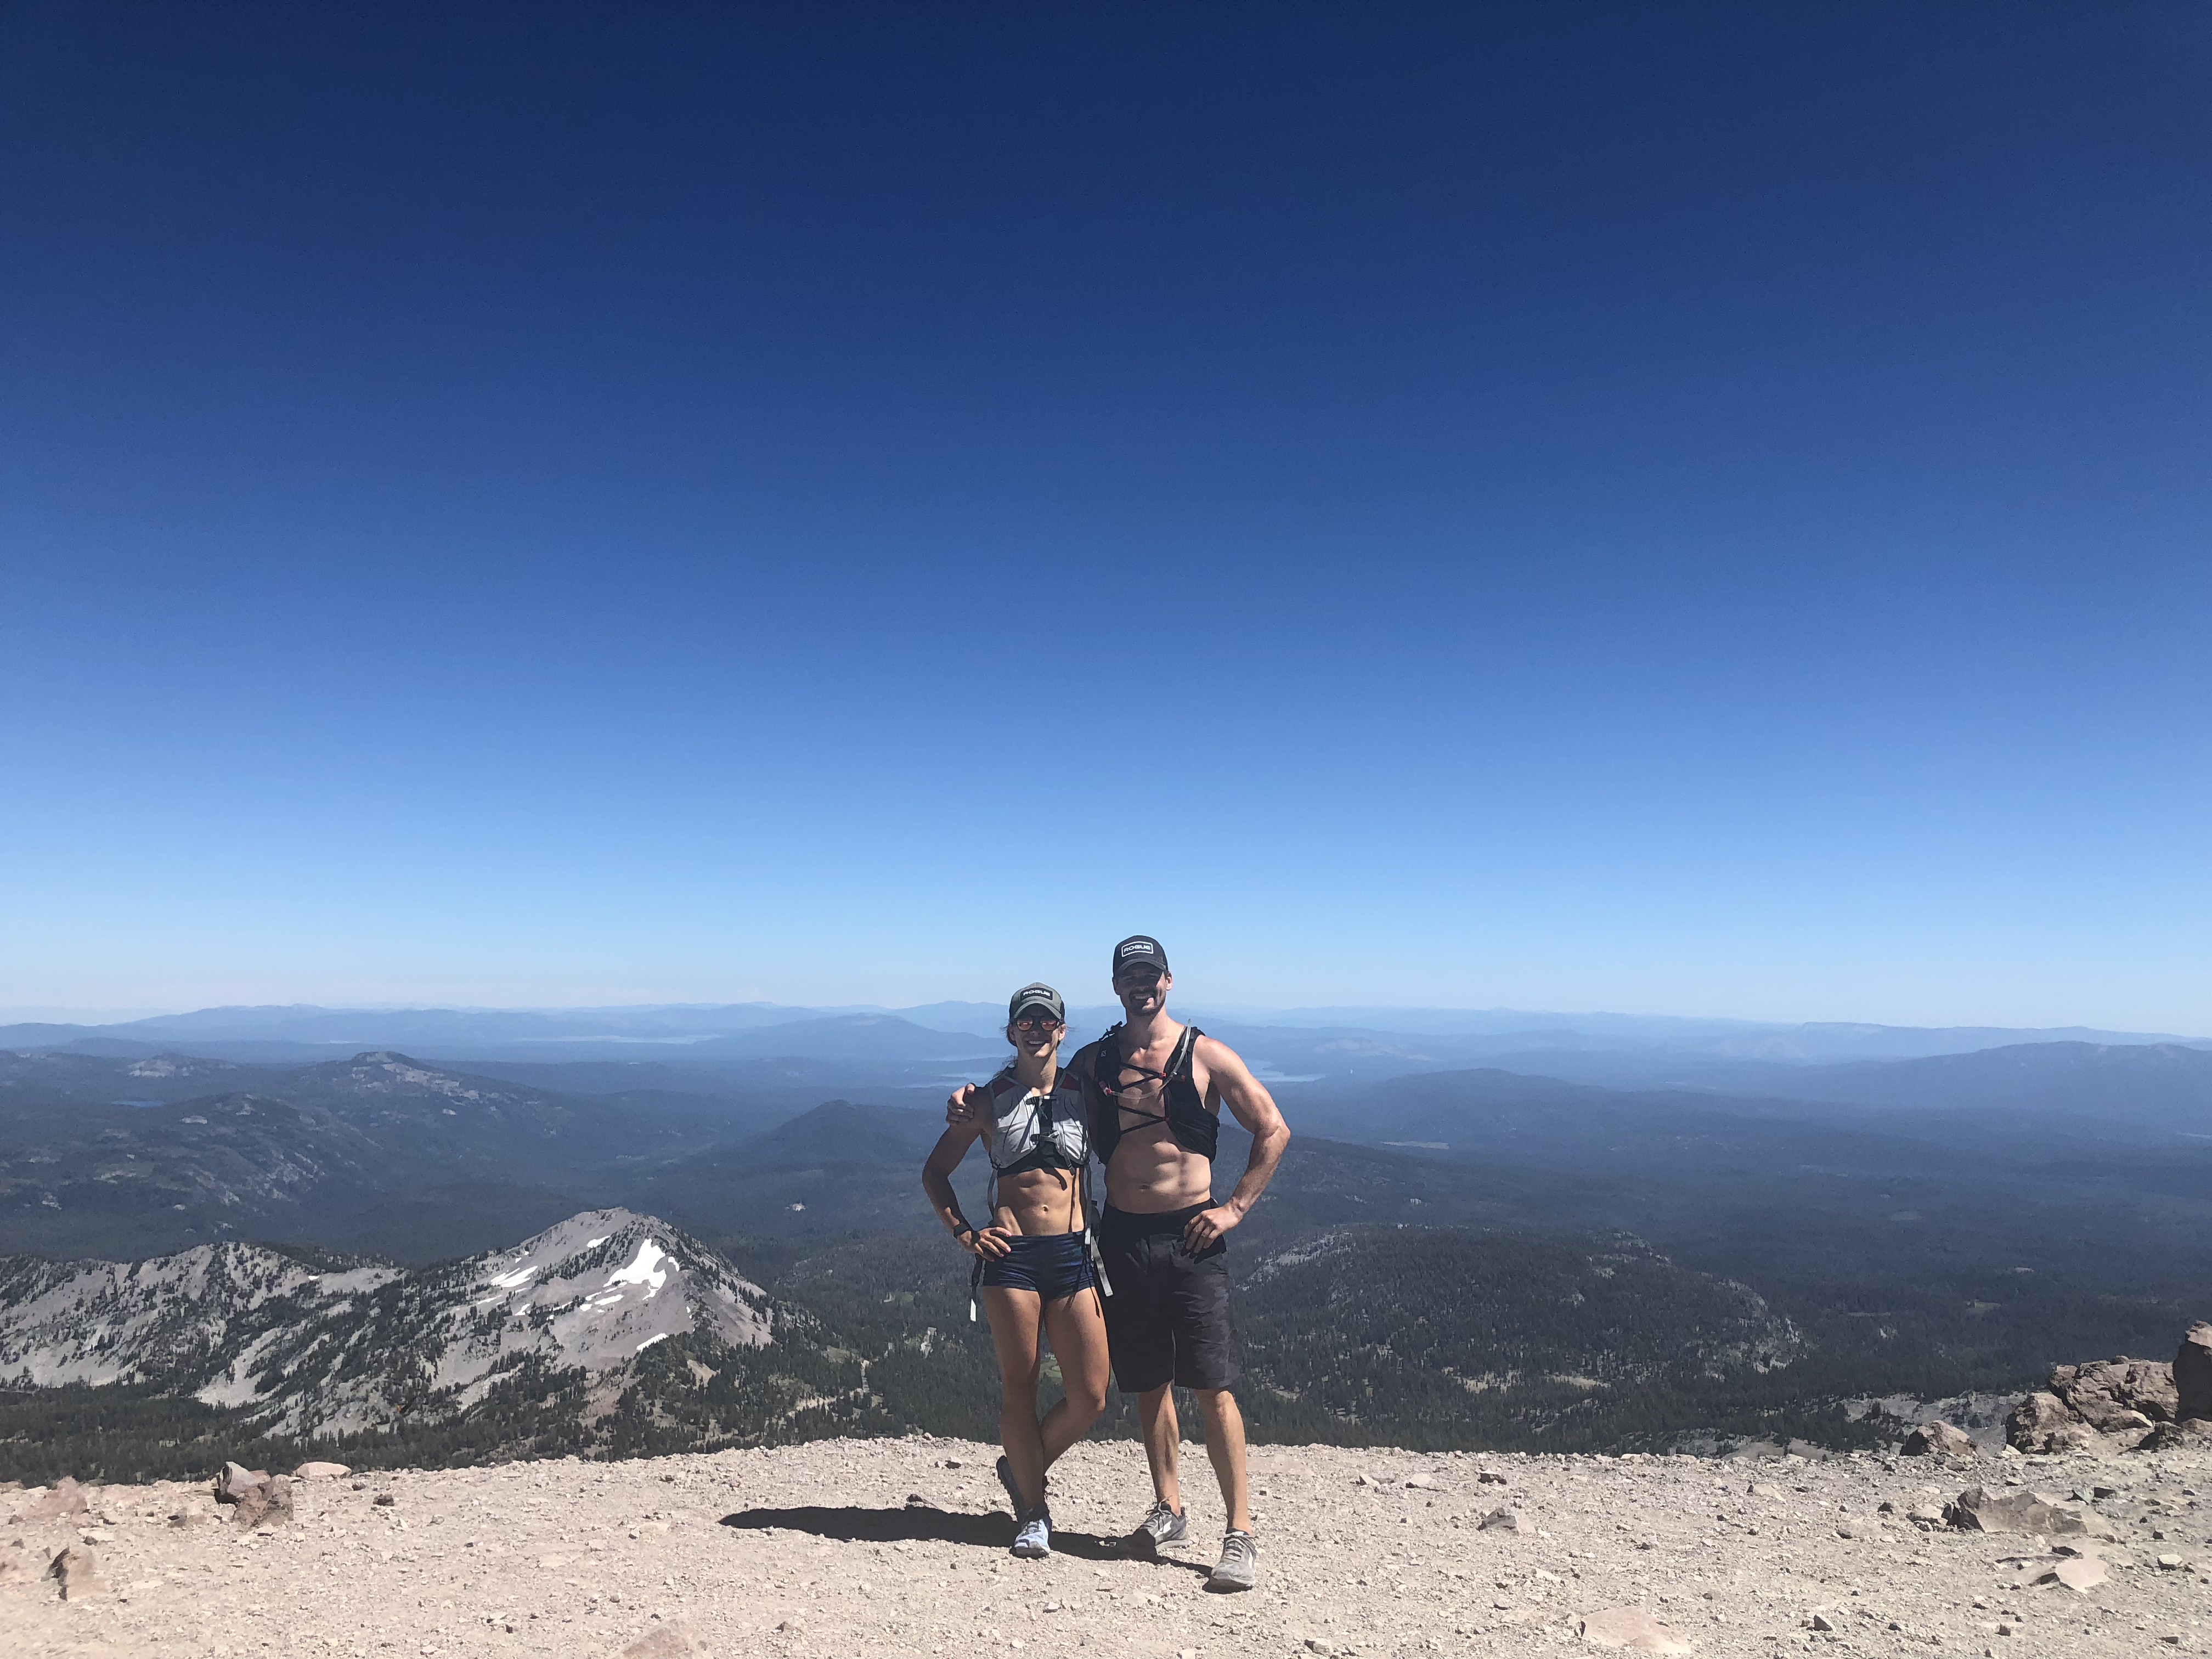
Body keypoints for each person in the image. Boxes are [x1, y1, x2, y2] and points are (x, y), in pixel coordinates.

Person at [950, 936, 1290, 1592]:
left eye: (1151, 975)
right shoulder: (1096, 1059)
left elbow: (1273, 1128)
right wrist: (970, 1101)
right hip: (1122, 1240)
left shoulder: (1207, 1055)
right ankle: (1169, 1508)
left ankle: (1240, 1532)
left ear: (1168, 980)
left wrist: (1236, 1209)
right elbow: (1031, 1078)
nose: (1142, 986)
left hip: (1193, 1233)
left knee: (1211, 1385)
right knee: (1148, 1382)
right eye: (1130, 976)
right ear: (1116, 986)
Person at [922, 982, 1110, 1560]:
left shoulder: (1088, 1092)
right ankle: (1033, 1511)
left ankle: (1020, 1463)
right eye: (1025, 1023)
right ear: (1011, 1032)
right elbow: (936, 1173)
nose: (1036, 1030)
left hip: (1077, 1253)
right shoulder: (984, 1102)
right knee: (1019, 1387)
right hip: (1013, 1258)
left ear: (1062, 1031)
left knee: (1091, 1396)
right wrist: (965, 1234)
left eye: (1047, 1022)